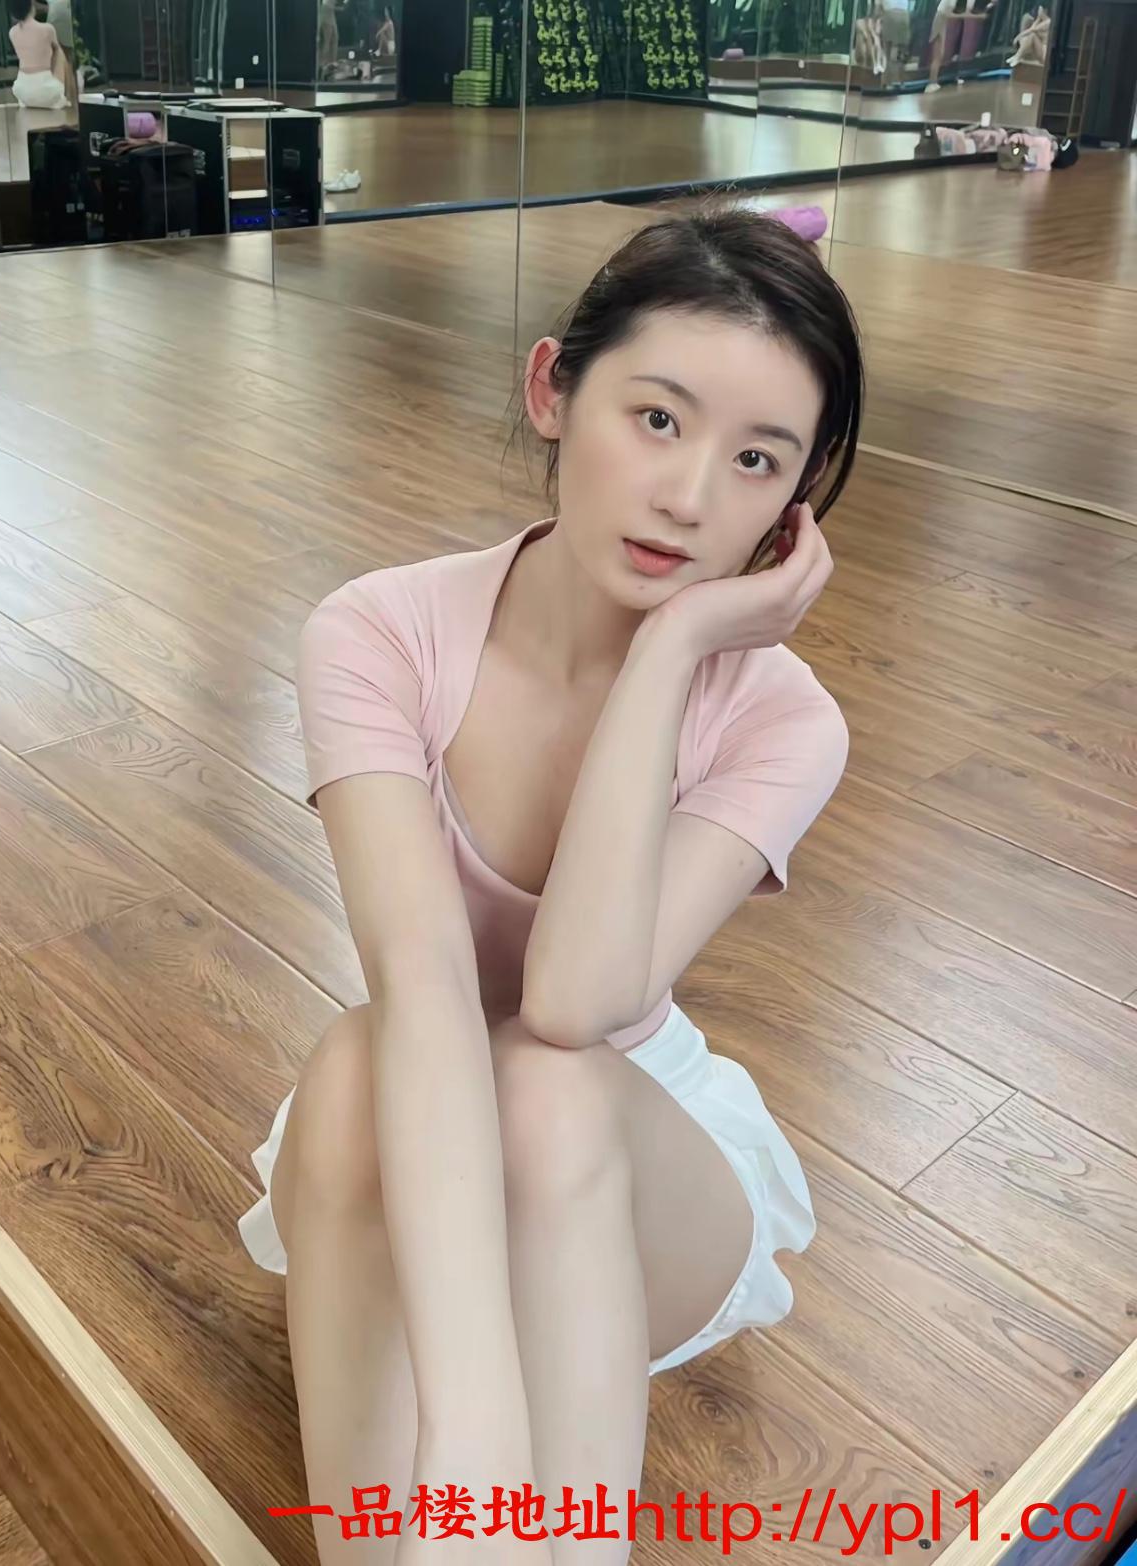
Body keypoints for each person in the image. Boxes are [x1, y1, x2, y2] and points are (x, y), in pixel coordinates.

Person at [237, 202, 862, 1565]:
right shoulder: (380, 632)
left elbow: (577, 1003)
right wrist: (472, 1428)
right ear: (551, 392)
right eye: (657, 418)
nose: (690, 495)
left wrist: (675, 648)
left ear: (795, 501)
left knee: (549, 1077)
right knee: (359, 1057)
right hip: (422, 1111)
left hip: (621, 1157)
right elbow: (424, 990)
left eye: (756, 459)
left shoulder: (785, 718)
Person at [8, 0, 71, 110]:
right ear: (32, 6)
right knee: (59, 51)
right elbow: (55, 51)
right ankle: (68, 96)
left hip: (22, 92)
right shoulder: (47, 29)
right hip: (46, 91)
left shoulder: (12, 32)